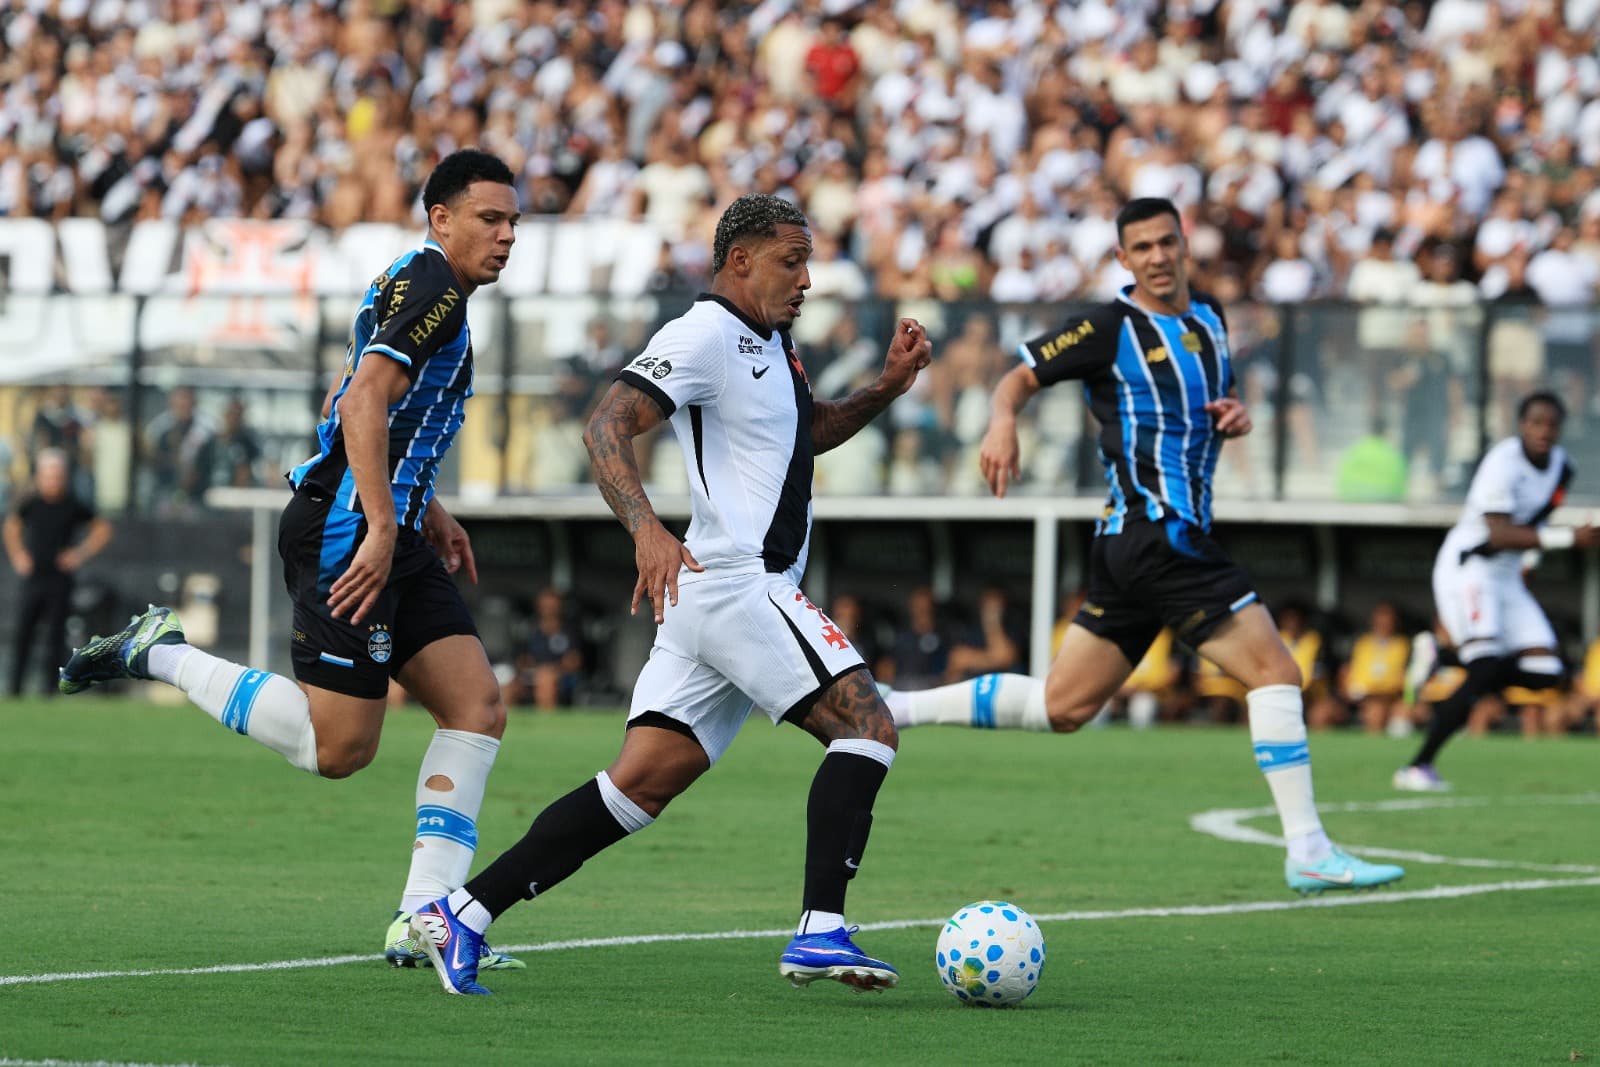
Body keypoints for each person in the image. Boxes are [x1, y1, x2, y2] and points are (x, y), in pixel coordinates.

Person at [405, 193, 933, 996]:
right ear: (741, 260)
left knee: (638, 782)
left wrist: (887, 388)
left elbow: (808, 430)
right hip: (734, 582)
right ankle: (822, 928)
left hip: (715, 600)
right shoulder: (704, 334)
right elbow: (606, 425)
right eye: (792, 261)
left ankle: (463, 914)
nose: (807, 279)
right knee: (867, 726)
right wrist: (648, 529)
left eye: (808, 261)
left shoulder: (774, 342)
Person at [57, 149, 528, 972]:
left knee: (477, 706)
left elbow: (363, 402)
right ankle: (157, 651)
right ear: (441, 218)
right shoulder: (436, 292)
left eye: (514, 221)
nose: (507, 234)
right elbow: (362, 398)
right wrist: (384, 523)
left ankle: (426, 917)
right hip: (351, 532)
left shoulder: (413, 282)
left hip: (390, 525)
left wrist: (426, 509)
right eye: (490, 218)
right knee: (338, 748)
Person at [882, 198, 1403, 894]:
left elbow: (1211, 403)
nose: (1157, 256)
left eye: (1166, 242)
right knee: (1276, 672)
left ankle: (896, 707)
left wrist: (1233, 416)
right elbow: (1019, 375)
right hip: (1160, 534)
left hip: (1136, 546)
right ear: (1123, 259)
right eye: (1141, 247)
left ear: (1184, 244)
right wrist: (1002, 421)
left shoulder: (1209, 321)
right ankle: (1308, 848)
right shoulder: (1108, 327)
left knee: (1062, 708)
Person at [1393, 392, 1596, 791]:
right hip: (1471, 567)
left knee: (1547, 673)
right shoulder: (1502, 463)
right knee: (1484, 669)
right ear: (1522, 425)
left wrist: (1529, 565)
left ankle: (1444, 655)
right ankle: (1418, 766)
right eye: (1535, 422)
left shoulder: (1562, 469)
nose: (1543, 431)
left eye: (1551, 424)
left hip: (1507, 574)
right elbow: (1500, 532)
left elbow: (1536, 519)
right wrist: (1570, 539)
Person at [4, 449, 112, 697]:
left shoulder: (72, 505)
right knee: (24, 632)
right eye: (49, 475)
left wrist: (79, 553)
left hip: (59, 579)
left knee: (55, 634)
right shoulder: (31, 503)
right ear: (40, 477)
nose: (53, 480)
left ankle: (49, 689)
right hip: (34, 577)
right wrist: (19, 555)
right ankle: (15, 688)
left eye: (57, 475)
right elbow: (11, 526)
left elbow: (102, 529)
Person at [500, 587, 585, 710]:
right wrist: (528, 667)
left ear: (559, 606)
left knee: (546, 680)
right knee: (507, 688)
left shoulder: (569, 631)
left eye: (552, 605)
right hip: (531, 675)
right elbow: (520, 659)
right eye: (545, 604)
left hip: (561, 678)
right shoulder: (529, 629)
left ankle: (545, 725)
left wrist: (554, 670)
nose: (548, 608)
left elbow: (574, 661)